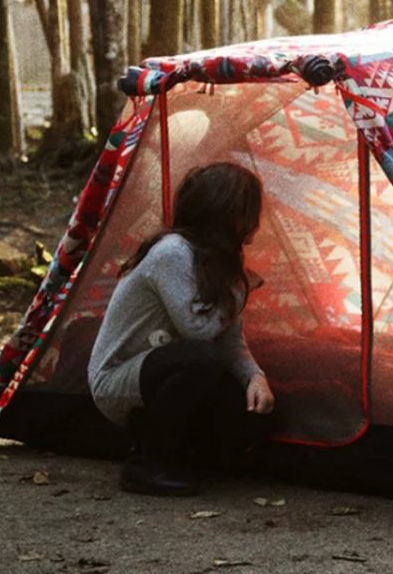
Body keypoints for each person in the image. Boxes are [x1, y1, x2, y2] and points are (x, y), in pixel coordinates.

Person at [88, 162, 275, 496]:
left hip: (164, 371)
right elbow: (198, 330)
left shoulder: (215, 259)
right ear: (226, 212)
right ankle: (146, 464)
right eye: (247, 214)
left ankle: (179, 453)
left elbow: (229, 337)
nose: (252, 227)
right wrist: (241, 287)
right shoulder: (172, 253)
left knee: (256, 415)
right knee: (202, 358)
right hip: (117, 379)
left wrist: (254, 377)